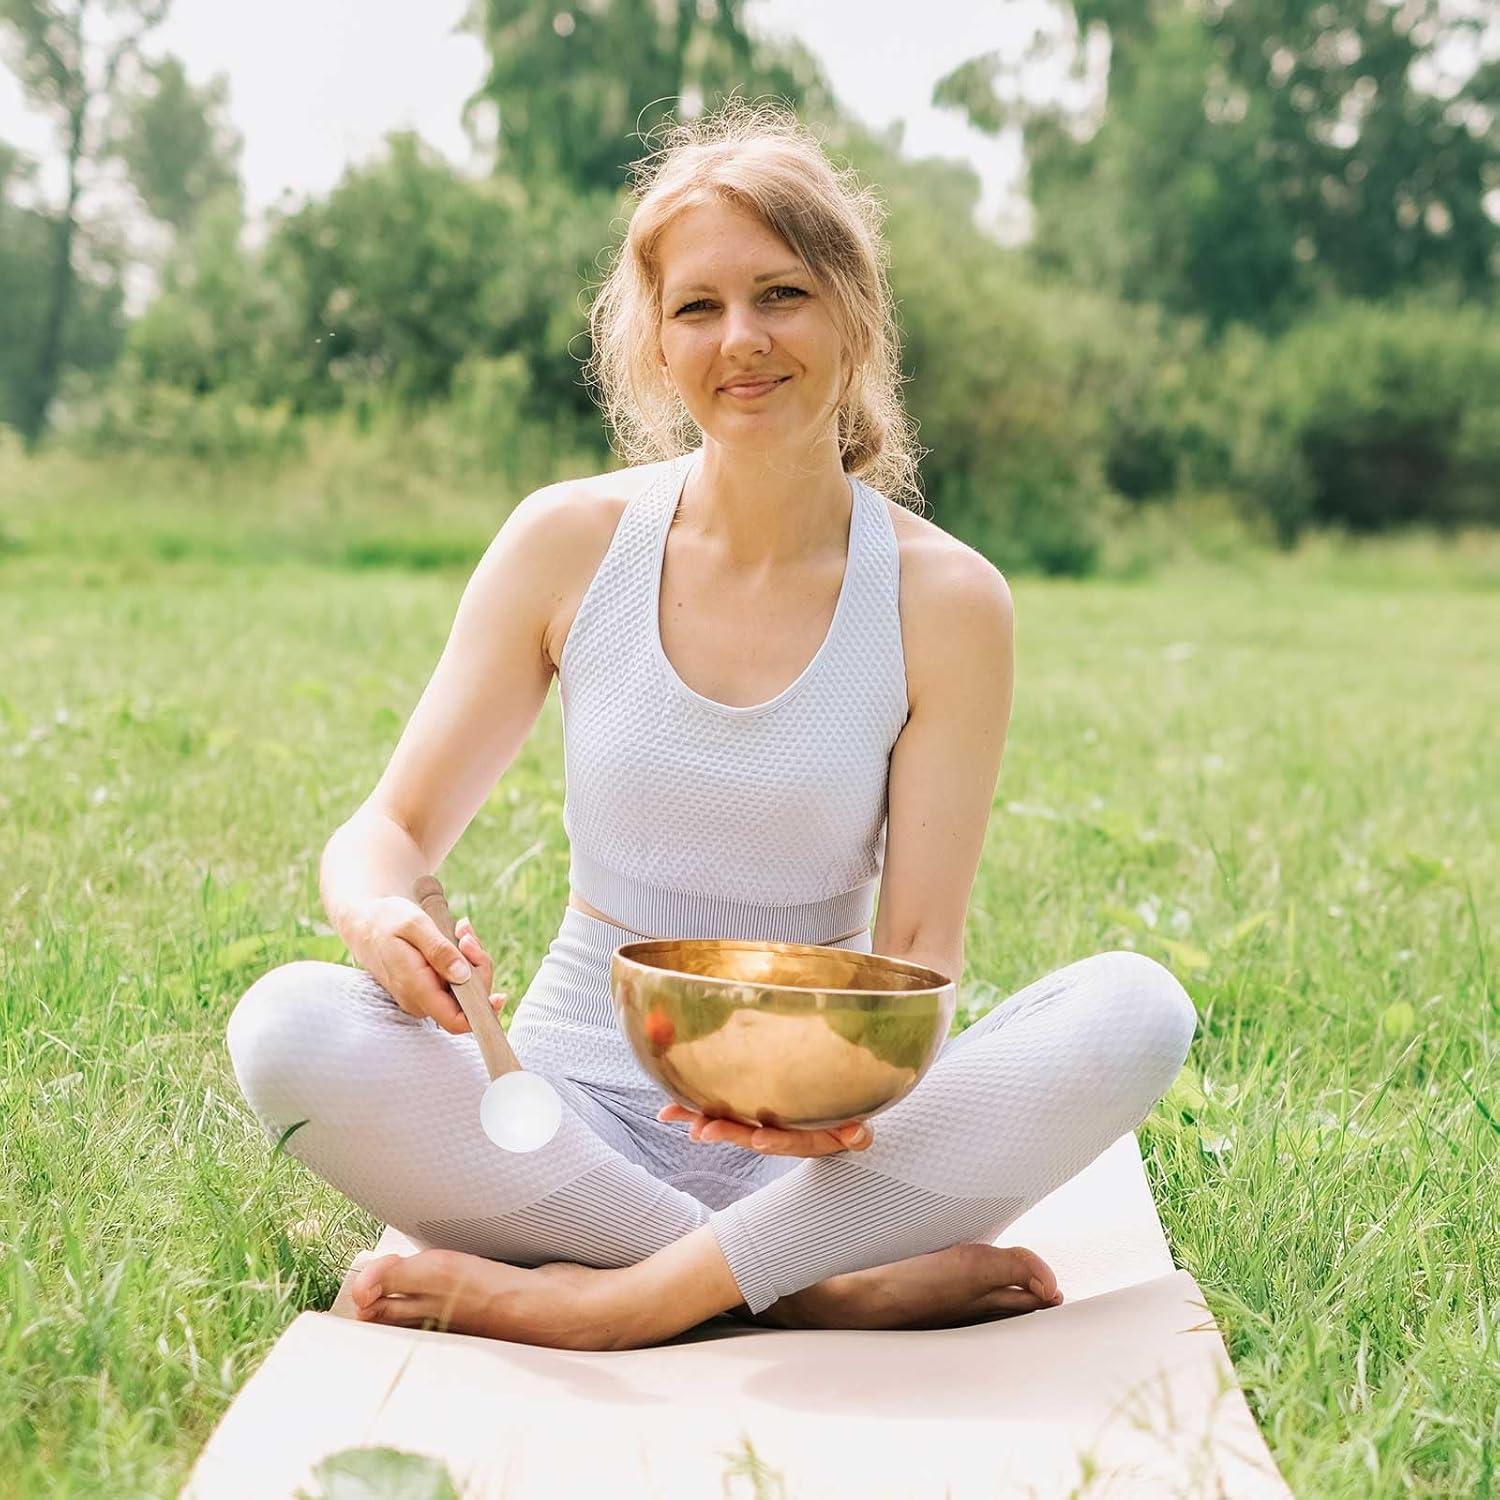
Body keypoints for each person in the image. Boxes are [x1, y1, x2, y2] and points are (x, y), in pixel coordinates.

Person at [226, 100, 1197, 1352]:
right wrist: (377, 917)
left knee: (1138, 1007)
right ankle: (807, 1291)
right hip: (570, 1107)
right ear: (655, 343)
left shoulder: (949, 600)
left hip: (827, 1138)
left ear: (853, 313)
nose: (743, 339)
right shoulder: (566, 544)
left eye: (782, 293)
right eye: (697, 307)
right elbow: (389, 831)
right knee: (287, 1025)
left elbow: (916, 954)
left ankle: (623, 1300)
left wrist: (832, 1111)